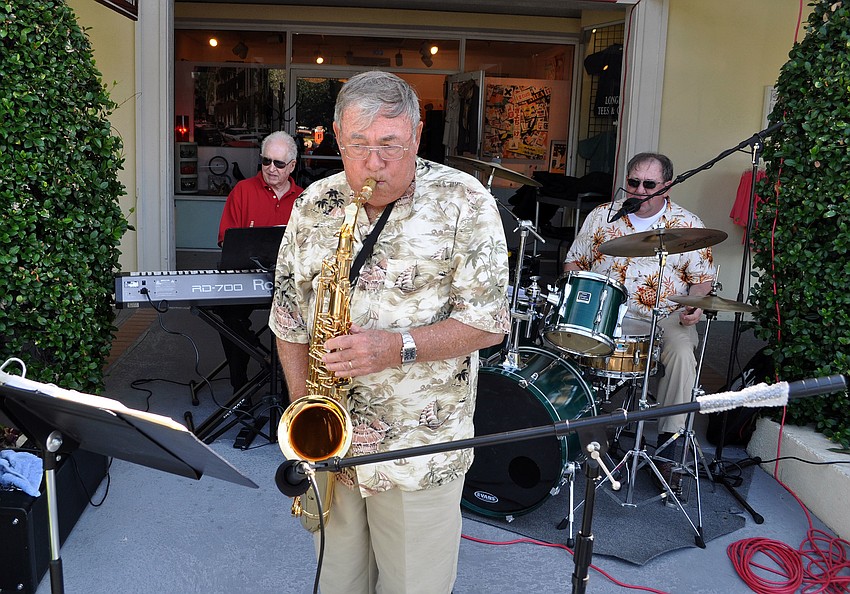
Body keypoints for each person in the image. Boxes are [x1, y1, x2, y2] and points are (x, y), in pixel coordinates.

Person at [269, 71, 510, 593]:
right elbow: (288, 320)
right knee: (337, 584)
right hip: (332, 451)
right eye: (358, 145)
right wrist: (309, 419)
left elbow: (488, 323)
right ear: (337, 136)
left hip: (417, 451)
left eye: (390, 145)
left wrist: (397, 347)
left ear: (417, 135)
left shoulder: (466, 202)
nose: (373, 163)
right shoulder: (313, 204)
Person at [563, 152, 716, 479]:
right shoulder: (602, 216)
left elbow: (702, 279)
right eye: (633, 183)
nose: (639, 190)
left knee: (682, 354)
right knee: (565, 337)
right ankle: (572, 432)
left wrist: (695, 305)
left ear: (667, 186)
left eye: (649, 184)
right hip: (607, 311)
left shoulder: (688, 224)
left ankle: (669, 446)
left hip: (666, 314)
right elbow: (574, 261)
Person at [216, 131, 302, 396]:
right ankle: (241, 388)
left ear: (292, 166)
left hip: (289, 283)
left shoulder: (304, 199)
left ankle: (290, 391)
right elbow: (226, 239)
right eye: (266, 161)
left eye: (279, 163)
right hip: (245, 278)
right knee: (228, 316)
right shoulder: (242, 191)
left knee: (302, 319)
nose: (271, 168)